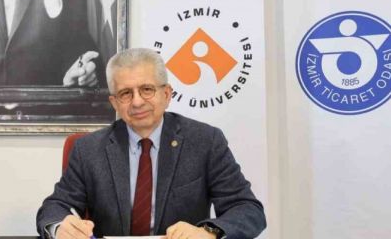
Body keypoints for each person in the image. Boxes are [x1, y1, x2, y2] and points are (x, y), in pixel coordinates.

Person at [36, 48, 266, 239]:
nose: (137, 102)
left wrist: (208, 232)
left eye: (147, 90)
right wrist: (60, 227)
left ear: (166, 94)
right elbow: (54, 207)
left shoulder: (205, 141)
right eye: (126, 93)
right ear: (114, 102)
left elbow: (248, 209)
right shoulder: (88, 149)